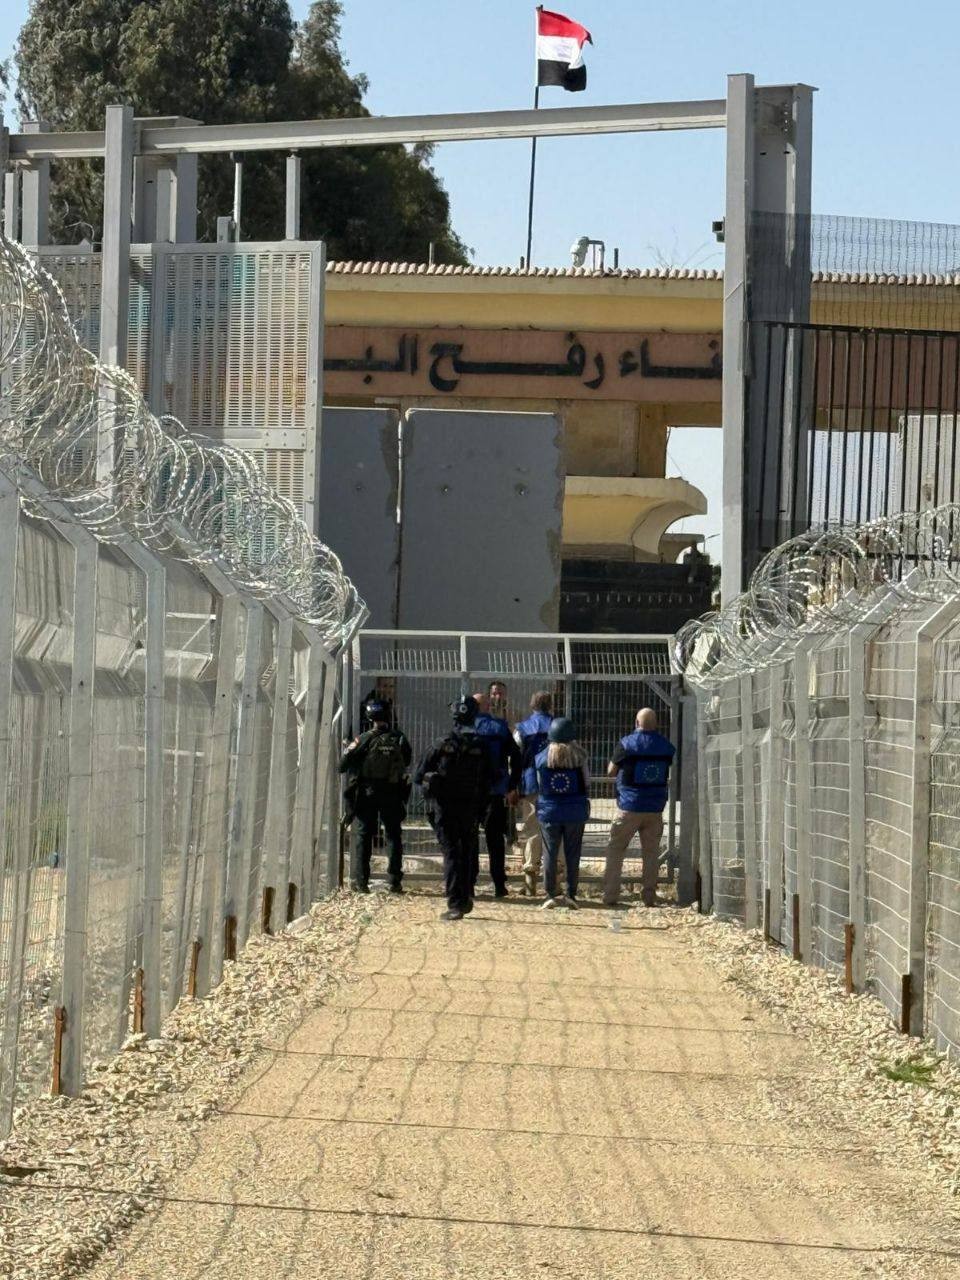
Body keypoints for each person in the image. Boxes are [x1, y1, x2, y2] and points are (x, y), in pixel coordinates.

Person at [415, 696, 493, 921]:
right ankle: (466, 896)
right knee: (467, 850)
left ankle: (455, 903)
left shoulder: (442, 743)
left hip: (445, 807)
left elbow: (419, 775)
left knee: (451, 853)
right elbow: (491, 777)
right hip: (471, 807)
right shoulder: (482, 745)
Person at [603, 708, 676, 908]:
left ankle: (610, 895)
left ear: (636, 723)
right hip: (655, 808)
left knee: (616, 849)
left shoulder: (626, 744)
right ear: (656, 724)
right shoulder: (666, 747)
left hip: (629, 806)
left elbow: (611, 771)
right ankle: (649, 896)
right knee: (651, 853)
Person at [339, 698, 412, 894]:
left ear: (369, 717)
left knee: (364, 835)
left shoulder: (363, 739)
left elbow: (342, 766)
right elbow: (407, 760)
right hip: (392, 792)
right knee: (393, 835)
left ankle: (362, 882)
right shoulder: (399, 738)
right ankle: (394, 881)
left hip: (367, 793)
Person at [535, 717, 590, 910]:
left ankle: (550, 894)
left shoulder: (541, 758)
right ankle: (571, 894)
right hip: (575, 811)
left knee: (550, 853)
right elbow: (586, 783)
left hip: (549, 812)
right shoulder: (580, 757)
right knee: (573, 853)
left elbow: (539, 784)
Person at [473, 690, 522, 897]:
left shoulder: (464, 728)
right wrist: (512, 785)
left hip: (470, 792)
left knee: (469, 838)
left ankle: (469, 883)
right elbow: (516, 757)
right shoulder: (500, 727)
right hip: (496, 790)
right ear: (486, 707)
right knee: (495, 840)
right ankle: (499, 884)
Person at [515, 691, 555, 896]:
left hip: (531, 782)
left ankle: (530, 880)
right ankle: (556, 881)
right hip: (557, 784)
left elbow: (515, 757)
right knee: (556, 829)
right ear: (551, 706)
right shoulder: (559, 726)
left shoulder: (522, 728)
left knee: (532, 829)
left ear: (532, 705)